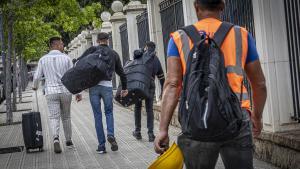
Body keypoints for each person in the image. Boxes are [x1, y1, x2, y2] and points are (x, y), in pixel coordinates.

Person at [154, 0, 267, 169]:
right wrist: (256, 116)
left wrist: (163, 130)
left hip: (197, 118)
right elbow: (259, 84)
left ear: (196, 7)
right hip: (236, 117)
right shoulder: (240, 34)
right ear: (222, 6)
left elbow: (172, 84)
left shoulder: (179, 38)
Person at [79, 32, 128, 154]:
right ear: (108, 40)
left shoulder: (91, 51)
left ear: (97, 41)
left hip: (93, 87)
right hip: (107, 86)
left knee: (97, 115)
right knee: (109, 112)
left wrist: (79, 87)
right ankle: (110, 134)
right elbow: (122, 73)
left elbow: (80, 64)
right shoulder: (113, 54)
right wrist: (124, 88)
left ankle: (101, 146)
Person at [33, 37, 82, 154]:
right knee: (66, 116)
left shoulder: (43, 59)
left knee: (54, 117)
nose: (63, 46)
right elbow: (73, 76)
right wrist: (78, 92)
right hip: (65, 91)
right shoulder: (66, 58)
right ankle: (69, 140)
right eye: (61, 44)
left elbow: (36, 77)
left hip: (51, 92)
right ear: (55, 45)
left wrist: (35, 86)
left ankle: (55, 138)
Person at [132, 42, 165, 142]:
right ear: (154, 49)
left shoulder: (139, 55)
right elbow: (161, 77)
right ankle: (151, 134)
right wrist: (163, 91)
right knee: (149, 109)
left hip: (139, 84)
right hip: (150, 84)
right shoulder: (156, 59)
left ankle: (137, 132)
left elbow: (134, 59)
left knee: (137, 107)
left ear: (146, 47)